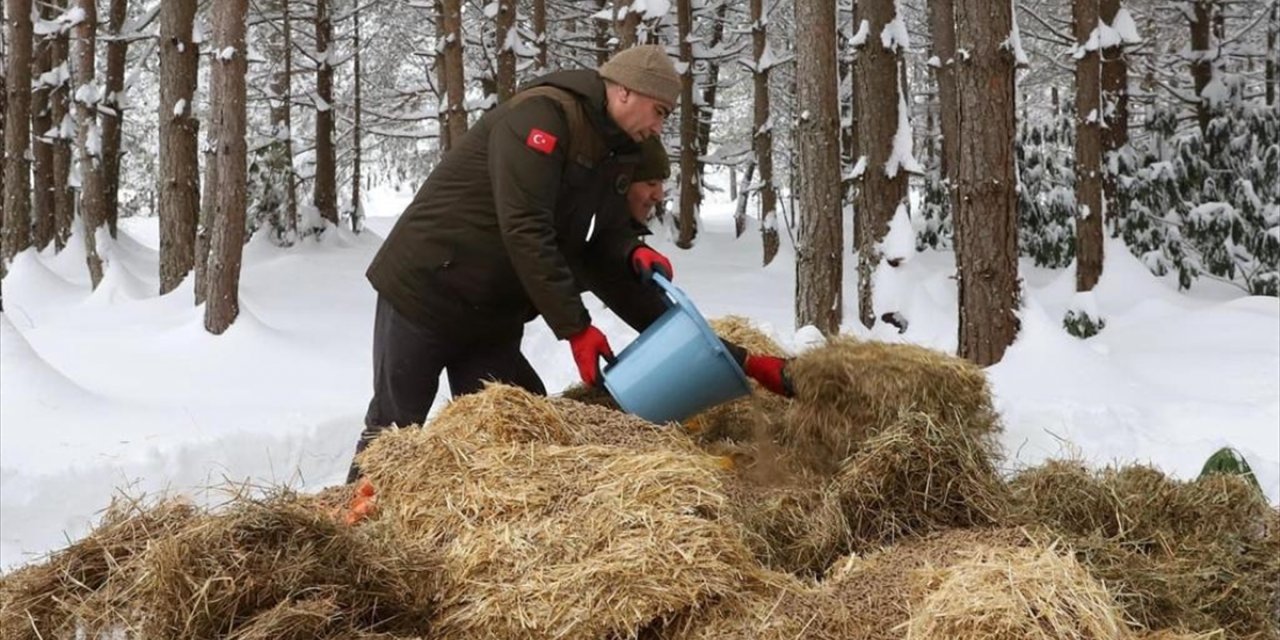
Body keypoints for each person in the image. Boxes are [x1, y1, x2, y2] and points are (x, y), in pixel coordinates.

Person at [349, 47, 787, 482]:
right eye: (659, 111)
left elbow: (603, 261)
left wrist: (740, 360)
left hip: (492, 312)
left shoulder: (617, 150)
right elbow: (524, 228)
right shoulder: (540, 118)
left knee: (512, 427)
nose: (659, 126)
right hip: (427, 290)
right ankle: (350, 538)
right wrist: (576, 329)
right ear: (624, 93)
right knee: (394, 430)